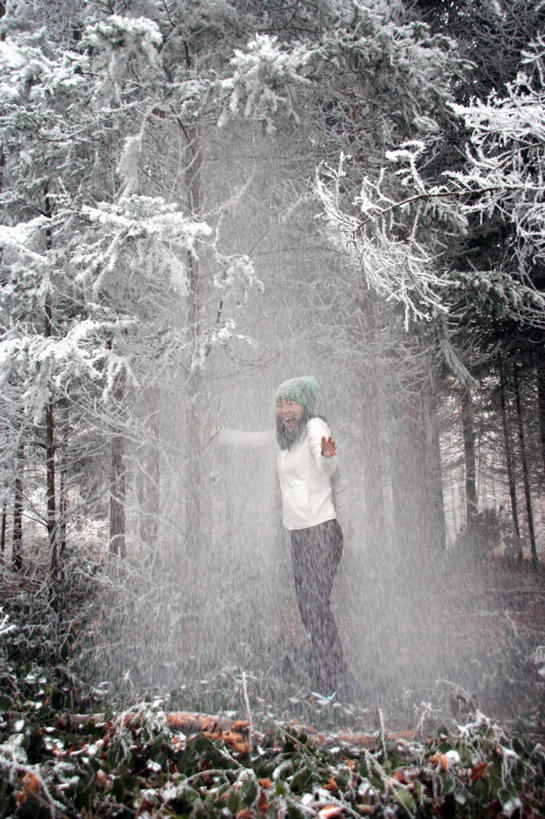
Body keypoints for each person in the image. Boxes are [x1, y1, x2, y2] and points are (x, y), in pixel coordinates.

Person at [274, 376, 347, 695]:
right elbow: (253, 440)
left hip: (321, 531)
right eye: (280, 404)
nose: (285, 410)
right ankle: (326, 671)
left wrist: (328, 455)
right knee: (308, 610)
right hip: (300, 536)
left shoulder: (315, 426)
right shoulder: (286, 440)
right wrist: (216, 433)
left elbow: (327, 460)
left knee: (316, 607)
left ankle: (334, 680)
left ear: (304, 407)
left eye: (291, 403)